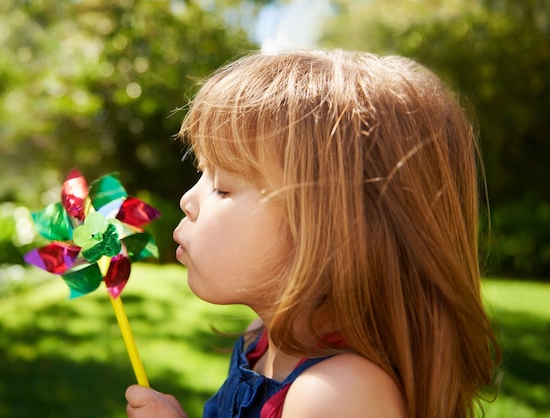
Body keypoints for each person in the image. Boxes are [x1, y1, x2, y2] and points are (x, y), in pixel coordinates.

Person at [125, 49, 500, 418]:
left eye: (222, 186)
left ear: (329, 231)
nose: (188, 199)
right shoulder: (262, 340)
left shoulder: (339, 396)